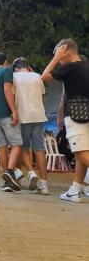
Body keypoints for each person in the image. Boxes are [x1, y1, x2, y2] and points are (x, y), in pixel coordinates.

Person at [41, 39, 89, 203]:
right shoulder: (85, 64)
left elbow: (44, 76)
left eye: (60, 54)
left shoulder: (71, 67)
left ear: (66, 50)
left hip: (76, 114)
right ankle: (76, 189)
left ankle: (77, 189)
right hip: (86, 112)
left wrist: (55, 59)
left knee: (80, 151)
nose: (59, 59)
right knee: (84, 149)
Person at [0, 52, 23, 192]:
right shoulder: (7, 70)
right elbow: (7, 90)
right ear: (6, 61)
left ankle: (7, 182)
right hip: (5, 113)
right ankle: (10, 171)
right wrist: (14, 111)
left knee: (1, 146)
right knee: (16, 143)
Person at [12, 57, 49, 194]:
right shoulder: (38, 76)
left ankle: (31, 172)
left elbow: (11, 95)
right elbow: (42, 96)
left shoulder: (14, 77)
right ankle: (44, 184)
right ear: (28, 66)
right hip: (39, 116)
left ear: (15, 68)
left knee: (22, 147)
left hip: (23, 116)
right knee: (39, 149)